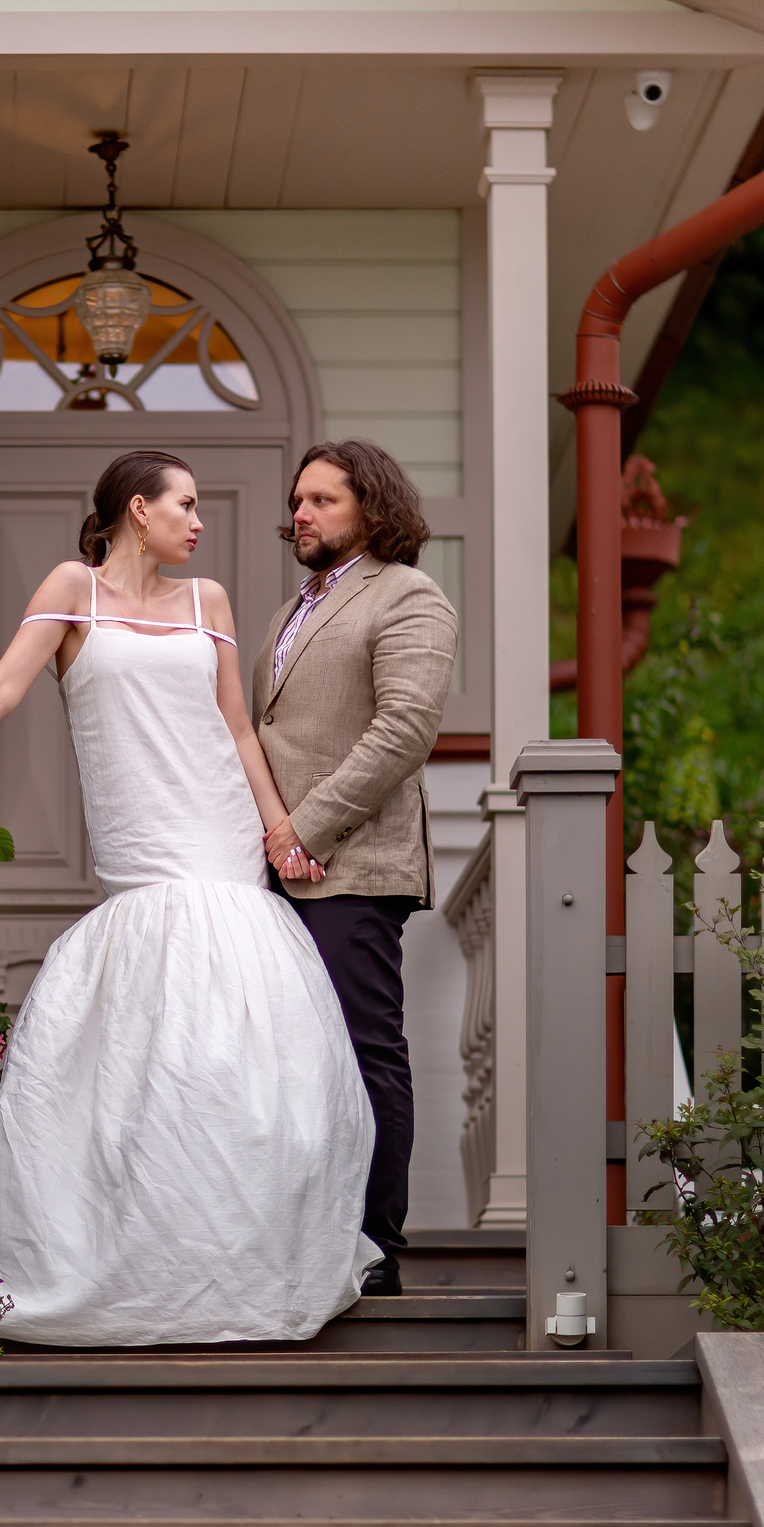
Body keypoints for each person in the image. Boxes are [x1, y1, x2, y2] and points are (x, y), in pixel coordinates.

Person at [0, 450, 381, 1347]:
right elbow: (2, 684)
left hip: (219, 834)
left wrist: (282, 829)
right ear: (135, 510)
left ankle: (235, 1254)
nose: (199, 521)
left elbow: (236, 727)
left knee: (230, 1048)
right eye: (183, 504)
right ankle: (133, 1256)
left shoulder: (210, 602)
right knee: (144, 1047)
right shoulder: (74, 587)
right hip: (142, 842)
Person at [250, 440, 458, 1298]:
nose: (301, 513)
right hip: (274, 869)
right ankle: (303, 1236)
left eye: (323, 500)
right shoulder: (288, 611)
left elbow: (405, 730)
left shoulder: (409, 595)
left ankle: (376, 1244)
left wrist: (308, 827)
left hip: (354, 866)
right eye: (298, 500)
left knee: (365, 1050)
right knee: (287, 1062)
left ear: (372, 509)